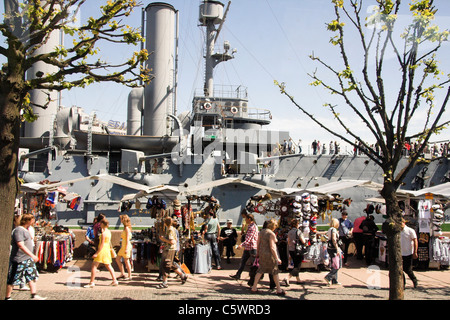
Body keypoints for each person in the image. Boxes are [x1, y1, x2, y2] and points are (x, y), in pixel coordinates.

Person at [6, 213, 47, 300]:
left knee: (31, 276)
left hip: (27, 259)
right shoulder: (19, 230)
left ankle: (34, 294)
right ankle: (8, 297)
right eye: (32, 220)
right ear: (28, 220)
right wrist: (32, 255)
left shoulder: (26, 230)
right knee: (13, 278)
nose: (33, 222)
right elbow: (20, 245)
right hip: (19, 259)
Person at [251, 219, 285, 296]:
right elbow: (272, 247)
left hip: (262, 254)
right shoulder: (271, 234)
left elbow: (258, 243)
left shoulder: (261, 232)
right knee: (275, 271)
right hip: (270, 255)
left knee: (260, 271)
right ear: (272, 226)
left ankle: (254, 287)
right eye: (275, 226)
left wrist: (258, 253)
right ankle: (279, 289)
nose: (275, 228)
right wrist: (277, 258)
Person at [84, 218, 118, 288]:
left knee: (94, 266)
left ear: (102, 224)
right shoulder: (108, 231)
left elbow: (101, 244)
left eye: (100, 224)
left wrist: (96, 253)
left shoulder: (103, 233)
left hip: (102, 250)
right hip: (107, 249)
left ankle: (92, 282)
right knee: (108, 265)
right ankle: (115, 280)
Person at [157, 217, 188, 289]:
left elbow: (172, 241)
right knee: (171, 264)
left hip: (169, 249)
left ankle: (165, 282)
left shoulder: (170, 229)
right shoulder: (173, 229)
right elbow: (176, 239)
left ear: (166, 223)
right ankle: (182, 275)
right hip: (172, 248)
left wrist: (163, 239)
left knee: (166, 264)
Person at [230, 213, 258, 280]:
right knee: (243, 261)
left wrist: (241, 245)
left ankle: (258, 276)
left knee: (254, 263)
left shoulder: (253, 227)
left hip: (252, 248)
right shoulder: (250, 226)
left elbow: (249, 238)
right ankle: (238, 274)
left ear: (249, 219)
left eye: (246, 219)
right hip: (247, 248)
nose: (245, 220)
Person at [283, 219, 306, 286]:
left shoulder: (289, 232)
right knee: (297, 266)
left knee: (296, 264)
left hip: (291, 250)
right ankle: (287, 277)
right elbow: (303, 241)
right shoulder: (298, 232)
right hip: (298, 250)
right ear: (297, 225)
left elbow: (289, 241)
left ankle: (298, 279)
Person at [401, 219, 418, 289]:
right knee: (399, 269)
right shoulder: (397, 231)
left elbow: (415, 240)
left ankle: (414, 280)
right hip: (400, 253)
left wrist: (415, 252)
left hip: (408, 253)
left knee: (407, 269)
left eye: (401, 223)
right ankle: (402, 283)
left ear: (404, 223)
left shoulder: (410, 230)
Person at [324, 218, 342, 286]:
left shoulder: (329, 229)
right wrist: (337, 248)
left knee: (334, 264)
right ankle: (328, 277)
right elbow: (334, 239)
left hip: (330, 249)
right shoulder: (334, 230)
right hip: (334, 249)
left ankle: (334, 280)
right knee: (338, 265)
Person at [116, 215, 132, 281]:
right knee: (117, 259)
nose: (120, 220)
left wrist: (126, 248)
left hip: (126, 246)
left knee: (126, 261)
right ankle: (122, 273)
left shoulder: (127, 229)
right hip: (124, 245)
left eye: (121, 219)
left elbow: (128, 239)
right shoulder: (125, 228)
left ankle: (129, 275)